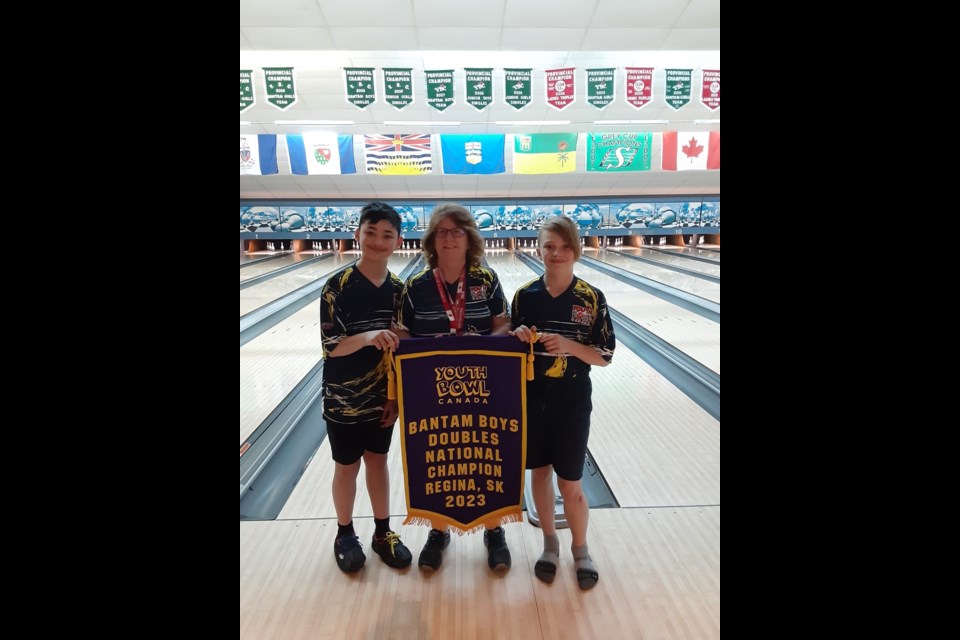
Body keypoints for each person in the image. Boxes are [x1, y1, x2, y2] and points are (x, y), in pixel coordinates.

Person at [395, 202, 513, 572]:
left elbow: (503, 324)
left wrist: (486, 350)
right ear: (432, 240)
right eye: (442, 232)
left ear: (469, 238)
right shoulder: (416, 287)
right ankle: (438, 529)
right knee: (437, 458)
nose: (449, 238)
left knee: (485, 452)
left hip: (482, 387)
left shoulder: (486, 280)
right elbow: (401, 335)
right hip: (433, 392)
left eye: (456, 231)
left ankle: (494, 531)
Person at [510, 216, 615, 590]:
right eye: (548, 246)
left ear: (575, 250)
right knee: (539, 474)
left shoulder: (591, 298)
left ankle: (581, 549)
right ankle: (549, 545)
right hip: (533, 399)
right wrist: (517, 335)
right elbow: (509, 349)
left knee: (570, 483)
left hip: (571, 403)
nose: (555, 253)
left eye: (564, 246)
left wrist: (569, 346)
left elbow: (604, 356)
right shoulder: (525, 297)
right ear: (539, 249)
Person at [319, 201, 413, 573]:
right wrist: (368, 336)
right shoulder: (336, 286)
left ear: (397, 241)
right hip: (342, 398)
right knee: (347, 466)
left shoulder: (400, 290)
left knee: (378, 462)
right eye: (370, 232)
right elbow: (331, 346)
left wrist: (396, 397)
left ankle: (382, 532)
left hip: (381, 400)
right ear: (357, 234)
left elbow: (407, 346)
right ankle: (344, 533)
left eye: (386, 234)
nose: (377, 241)